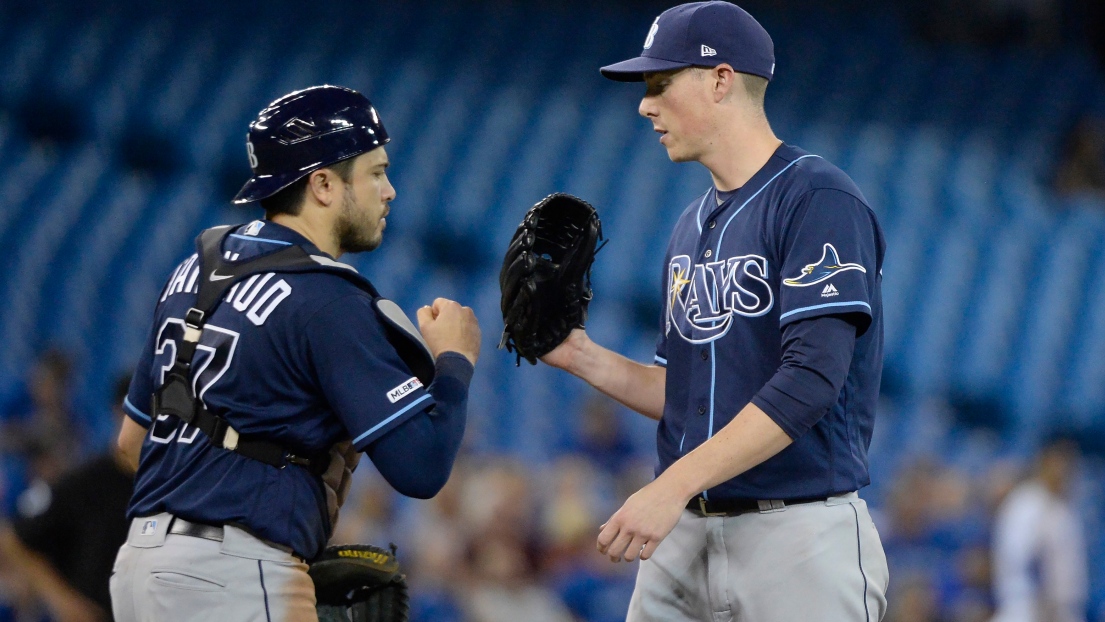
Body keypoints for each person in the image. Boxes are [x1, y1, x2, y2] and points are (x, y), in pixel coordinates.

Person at [539, 3, 889, 620]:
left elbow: (812, 379)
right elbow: (692, 394)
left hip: (796, 536)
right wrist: (581, 357)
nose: (645, 105)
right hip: (684, 532)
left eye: (660, 83)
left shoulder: (817, 197)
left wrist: (671, 485)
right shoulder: (689, 226)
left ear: (720, 79)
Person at [109, 85, 481, 622]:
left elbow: (131, 444)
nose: (390, 190)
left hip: (139, 567)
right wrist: (455, 363)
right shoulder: (327, 297)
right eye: (376, 172)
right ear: (324, 184)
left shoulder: (195, 268)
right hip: (227, 576)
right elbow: (420, 467)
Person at [0, 375, 135, 622]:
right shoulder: (86, 481)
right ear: (119, 413)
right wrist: (63, 601)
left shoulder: (169, 485)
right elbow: (16, 539)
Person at [990, 438, 1087, 622]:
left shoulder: (1064, 509)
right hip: (1027, 608)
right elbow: (1024, 559)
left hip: (1061, 611)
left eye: (1068, 466)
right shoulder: (1026, 504)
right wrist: (1043, 603)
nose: (1063, 472)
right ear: (1043, 464)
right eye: (1058, 464)